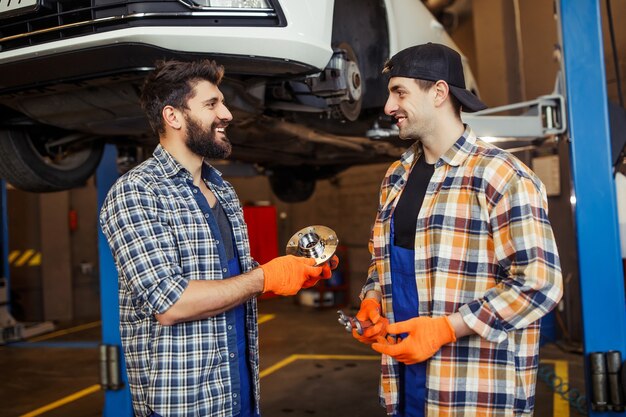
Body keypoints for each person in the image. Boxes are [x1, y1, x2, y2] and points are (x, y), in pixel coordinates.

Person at [99, 59, 337, 417]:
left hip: (238, 396)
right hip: (185, 406)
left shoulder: (222, 189)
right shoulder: (137, 191)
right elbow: (171, 304)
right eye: (212, 104)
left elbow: (230, 279)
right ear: (173, 117)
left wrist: (287, 275)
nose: (227, 114)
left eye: (223, 103)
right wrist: (263, 279)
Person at [352, 43, 563, 416]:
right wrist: (373, 299)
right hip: (404, 382)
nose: (388, 107)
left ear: (438, 92)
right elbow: (382, 260)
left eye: (399, 92)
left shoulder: (501, 175)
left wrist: (447, 328)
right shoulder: (396, 177)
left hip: (471, 390)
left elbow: (539, 283)